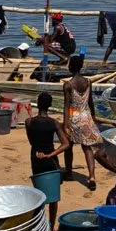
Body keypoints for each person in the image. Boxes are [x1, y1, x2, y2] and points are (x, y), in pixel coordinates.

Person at [27, 92, 70, 223]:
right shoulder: (54, 123)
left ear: (38, 104)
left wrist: (39, 152)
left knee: (39, 193)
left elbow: (31, 141)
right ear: (50, 105)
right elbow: (66, 144)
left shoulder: (29, 122)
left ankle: (39, 224)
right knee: (53, 196)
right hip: (50, 159)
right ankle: (52, 227)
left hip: (35, 158)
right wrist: (51, 154)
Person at [60, 65, 104, 190]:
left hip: (74, 116)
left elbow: (66, 105)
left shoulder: (68, 85)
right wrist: (93, 117)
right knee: (87, 147)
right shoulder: (88, 82)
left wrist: (65, 124)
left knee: (69, 146)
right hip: (86, 116)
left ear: (70, 68)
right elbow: (91, 101)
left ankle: (69, 173)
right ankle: (91, 176)